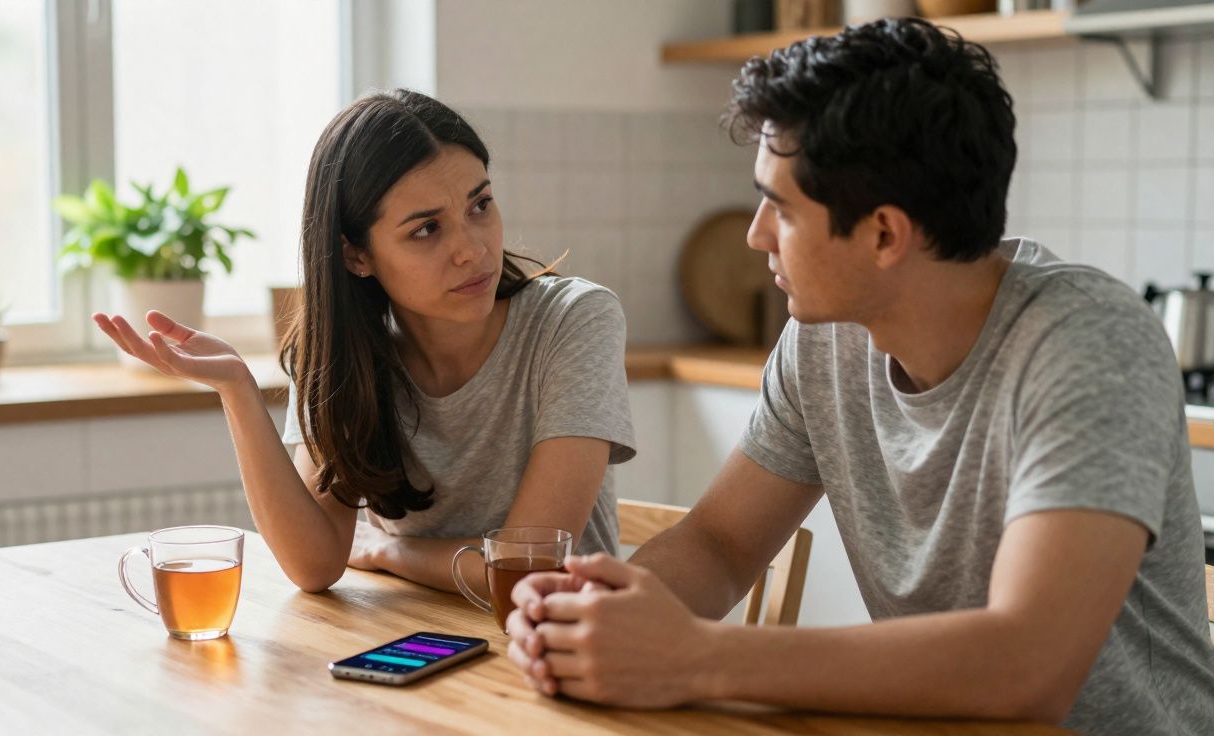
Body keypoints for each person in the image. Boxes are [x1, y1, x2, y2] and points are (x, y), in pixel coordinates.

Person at [504, 18, 1214, 734]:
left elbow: (1028, 666)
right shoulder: (827, 337)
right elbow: (719, 544)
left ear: (883, 234)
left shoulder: (1090, 344)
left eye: (780, 208)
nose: (754, 233)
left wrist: (692, 656)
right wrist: (593, 617)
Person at [93, 89, 635, 599]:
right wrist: (238, 391)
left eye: (480, 205)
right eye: (426, 229)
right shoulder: (342, 357)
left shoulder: (575, 320)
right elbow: (313, 565)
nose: (472, 249)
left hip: (559, 641)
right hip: (411, 633)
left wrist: (389, 550)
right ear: (356, 255)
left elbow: (529, 571)